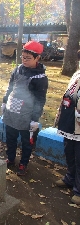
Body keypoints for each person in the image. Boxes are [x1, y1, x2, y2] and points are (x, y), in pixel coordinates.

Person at [2, 41, 48, 176]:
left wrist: (35, 119)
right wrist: (4, 102)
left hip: (27, 113)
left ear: (37, 58)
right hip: (11, 110)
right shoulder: (17, 69)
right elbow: (10, 87)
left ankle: (23, 163)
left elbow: (40, 100)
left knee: (26, 141)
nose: (24, 60)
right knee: (10, 137)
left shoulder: (40, 78)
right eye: (22, 57)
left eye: (28, 58)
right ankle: (10, 158)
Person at [54, 69, 80, 205]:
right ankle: (70, 178)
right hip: (69, 122)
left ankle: (79, 190)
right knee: (69, 153)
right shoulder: (77, 74)